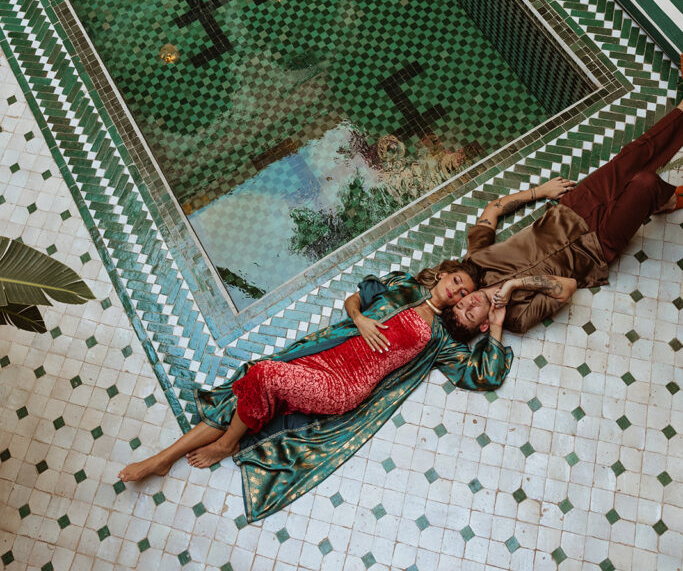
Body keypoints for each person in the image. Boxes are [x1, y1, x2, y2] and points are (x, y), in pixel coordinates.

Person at [119, 260, 512, 522]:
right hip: (323, 357)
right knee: (245, 393)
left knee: (262, 376)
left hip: (343, 385)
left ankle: (223, 446)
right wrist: (360, 320)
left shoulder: (441, 337)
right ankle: (162, 459)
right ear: (444, 275)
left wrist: (495, 321)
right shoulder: (403, 286)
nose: (457, 291)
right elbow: (354, 298)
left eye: (463, 295)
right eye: (456, 280)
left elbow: (487, 374)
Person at [446, 100, 683, 338]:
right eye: (469, 314)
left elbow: (492, 210)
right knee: (645, 184)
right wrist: (514, 286)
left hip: (570, 210)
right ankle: (668, 202)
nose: (469, 304)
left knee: (634, 155)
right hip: (596, 246)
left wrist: (539, 191)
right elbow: (567, 288)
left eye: (460, 304)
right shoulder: (517, 317)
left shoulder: (476, 264)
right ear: (484, 325)